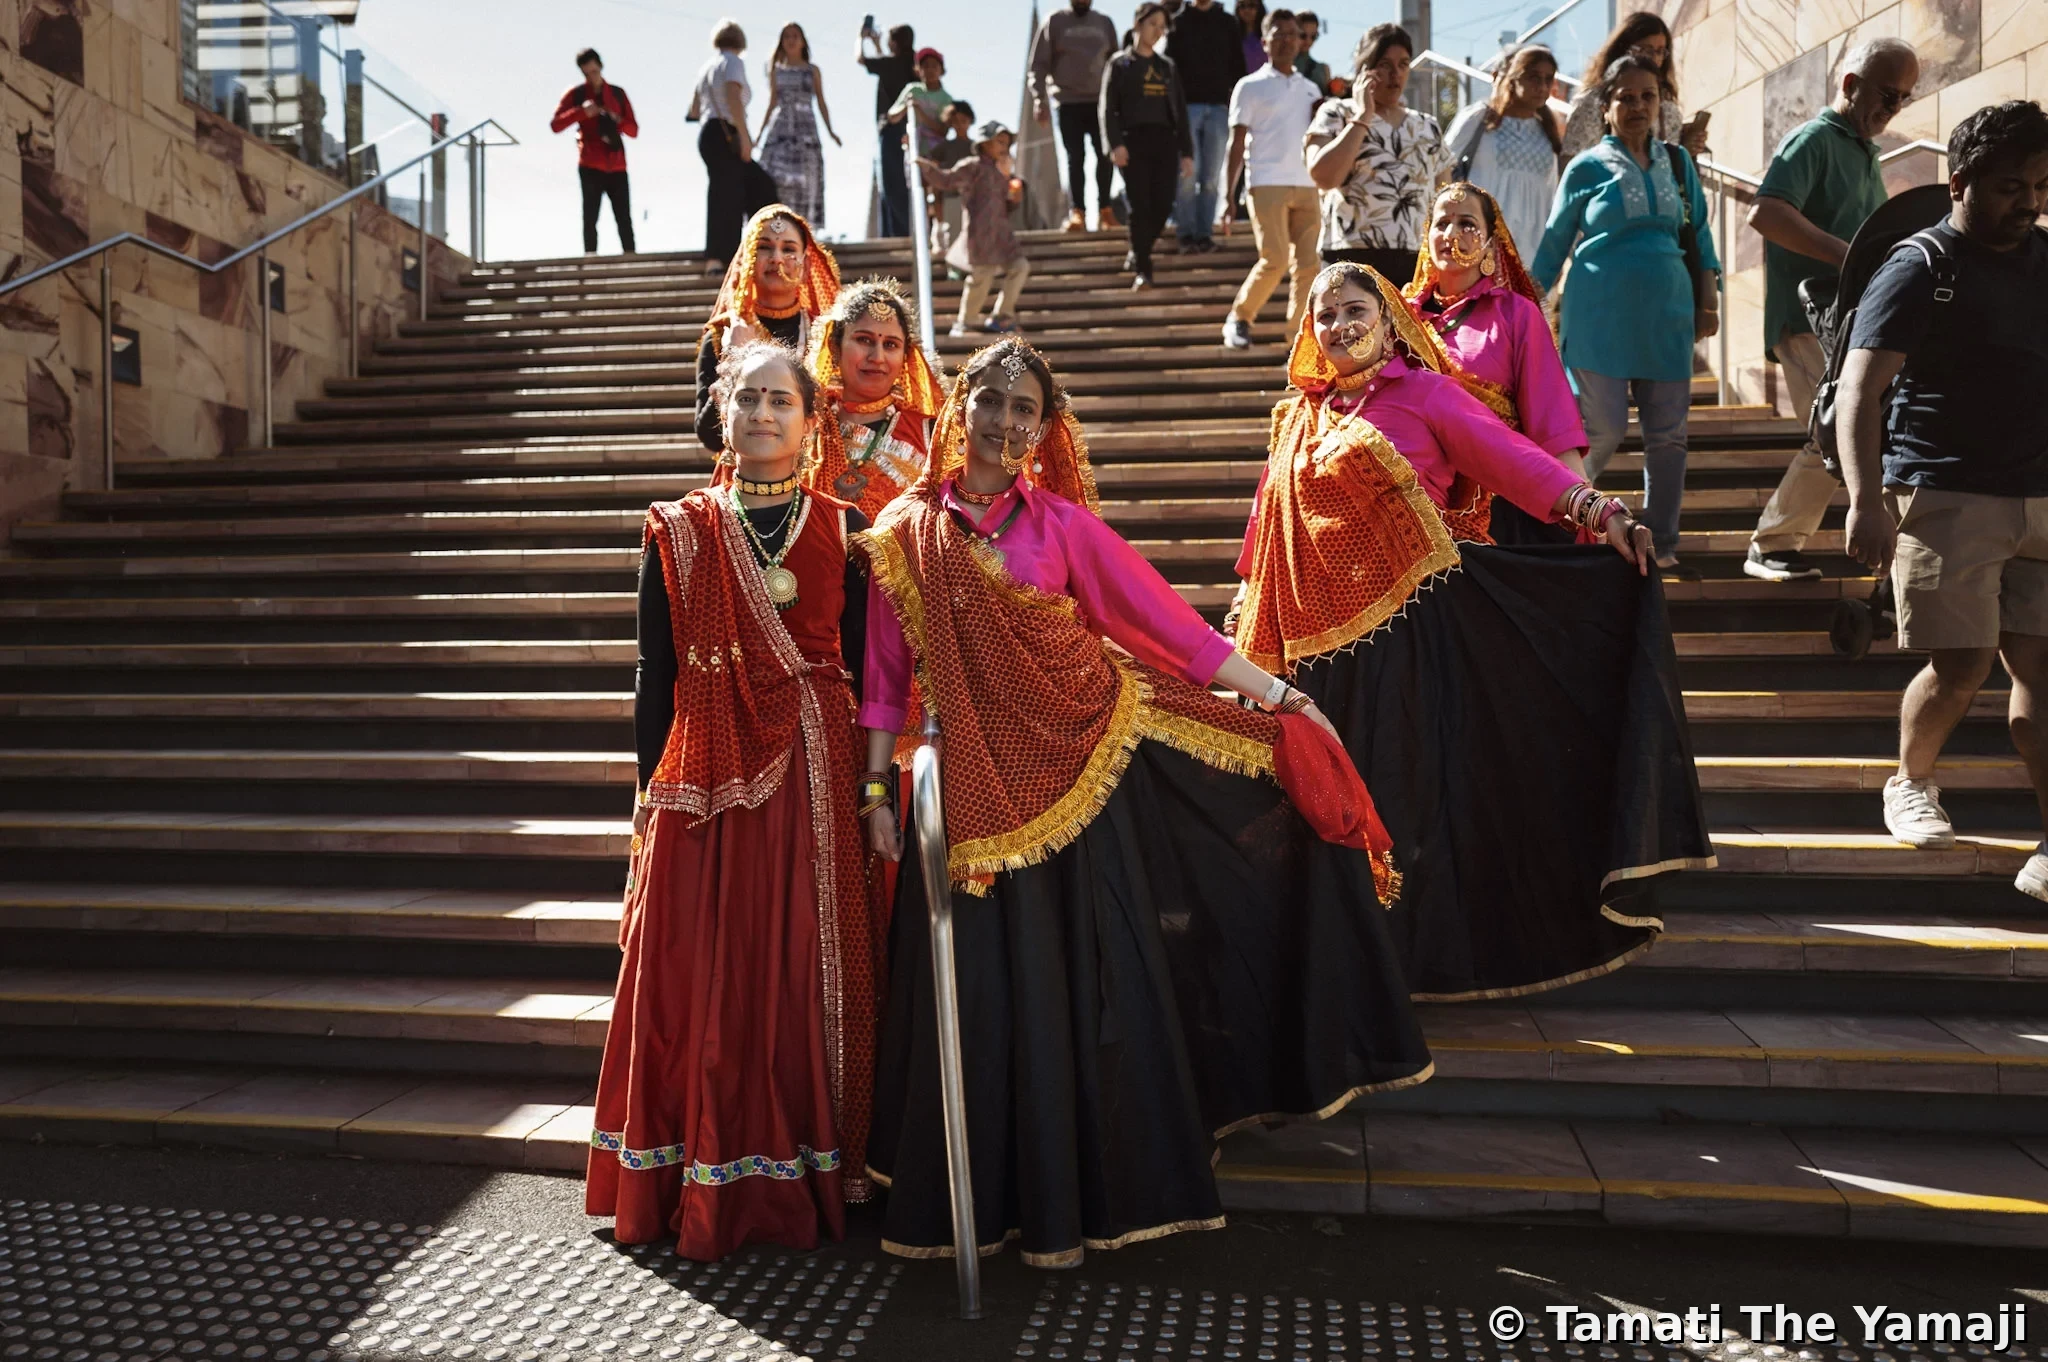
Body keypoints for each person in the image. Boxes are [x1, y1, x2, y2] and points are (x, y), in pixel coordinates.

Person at [856, 337, 1433, 1265]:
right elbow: (885, 684)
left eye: (1024, 412)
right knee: (985, 999)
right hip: (971, 796)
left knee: (1087, 990)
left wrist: (1276, 695)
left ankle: (1089, 1187)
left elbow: (1170, 630)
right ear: (960, 407)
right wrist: (876, 789)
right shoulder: (899, 538)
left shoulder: (1064, 530)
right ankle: (991, 1196)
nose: (1004, 423)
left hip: (1085, 776)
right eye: (991, 401)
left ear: (1044, 431)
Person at [1232, 261, 1713, 1000]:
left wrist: (1598, 511)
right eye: (1323, 315)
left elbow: (1512, 458)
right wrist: (1240, 629)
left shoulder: (1425, 395)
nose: (1338, 325)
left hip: (1404, 647)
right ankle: (1340, 974)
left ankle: (1402, 972)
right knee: (1314, 814)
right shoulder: (1297, 417)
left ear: (1392, 320)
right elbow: (1264, 531)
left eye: (1354, 308)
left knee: (1398, 803)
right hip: (1306, 658)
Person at [587, 340, 880, 1262]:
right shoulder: (677, 529)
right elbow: (655, 673)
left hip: (813, 778)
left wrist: (876, 784)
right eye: (746, 397)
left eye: (779, 401)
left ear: (810, 420)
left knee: (795, 966)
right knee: (701, 965)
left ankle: (803, 1165)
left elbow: (873, 677)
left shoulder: (846, 530)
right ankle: (687, 1174)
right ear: (721, 410)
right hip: (702, 783)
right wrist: (647, 801)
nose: (761, 413)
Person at [1835, 101, 2048, 898]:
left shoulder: (2044, 259)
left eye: (2040, 185)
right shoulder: (1921, 266)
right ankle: (1911, 780)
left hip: (2040, 495)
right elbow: (1861, 390)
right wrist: (1865, 501)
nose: (2028, 202)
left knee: (2043, 672)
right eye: (2009, 187)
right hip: (1945, 491)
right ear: (1959, 182)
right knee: (1960, 667)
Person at [1530, 54, 1720, 571]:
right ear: (1606, 107)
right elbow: (1553, 245)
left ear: (1660, 104)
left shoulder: (1677, 164)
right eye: (1626, 97)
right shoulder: (1586, 166)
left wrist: (1709, 299)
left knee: (1669, 435)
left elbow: (1698, 233)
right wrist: (1522, 305)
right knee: (1598, 429)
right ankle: (1562, 524)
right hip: (1599, 318)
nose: (1638, 106)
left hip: (1667, 315)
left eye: (1648, 97)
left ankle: (1662, 540)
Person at [1742, 38, 1921, 584]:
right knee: (1839, 428)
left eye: (1904, 100)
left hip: (1844, 322)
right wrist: (1847, 258)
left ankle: (1778, 542)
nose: (1892, 110)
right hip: (1808, 315)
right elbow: (1766, 213)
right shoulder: (1816, 139)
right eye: (1887, 95)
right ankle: (1771, 542)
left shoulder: (1864, 151)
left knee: (1843, 429)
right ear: (1850, 86)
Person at [1404, 182, 1588, 545]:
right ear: (1427, 237)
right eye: (1442, 223)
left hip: (1498, 502)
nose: (1452, 233)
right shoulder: (1399, 318)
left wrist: (1586, 507)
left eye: (1467, 224)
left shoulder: (1516, 314)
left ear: (1490, 241)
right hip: (1416, 506)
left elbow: (1552, 420)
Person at [1305, 24, 1449, 282]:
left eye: (1403, 64)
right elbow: (1324, 177)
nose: (1396, 74)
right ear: (1365, 68)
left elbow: (1445, 198)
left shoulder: (1427, 125)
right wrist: (1362, 116)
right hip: (1350, 256)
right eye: (1385, 64)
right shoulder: (1336, 113)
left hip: (1415, 258)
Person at [695, 206, 842, 455]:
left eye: (788, 249)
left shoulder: (828, 335)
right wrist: (734, 360)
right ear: (747, 260)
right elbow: (710, 437)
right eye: (764, 247)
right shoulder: (723, 336)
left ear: (806, 266)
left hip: (820, 473)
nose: (776, 258)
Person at [1219, 10, 1320, 350]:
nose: (1288, 40)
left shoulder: (1311, 88)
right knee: (1275, 258)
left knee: (1309, 265)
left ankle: (1298, 342)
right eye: (1279, 34)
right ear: (1264, 42)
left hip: (1309, 185)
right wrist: (1227, 196)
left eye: (1293, 34)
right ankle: (1240, 317)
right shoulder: (1249, 87)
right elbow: (1235, 143)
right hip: (1266, 182)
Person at [806, 279, 943, 519]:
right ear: (836, 346)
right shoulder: (806, 424)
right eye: (864, 340)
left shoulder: (929, 433)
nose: (877, 356)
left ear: (905, 356)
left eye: (890, 345)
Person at [1103, 3, 1195, 289]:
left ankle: (1138, 247)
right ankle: (1144, 268)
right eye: (1152, 24)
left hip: (1165, 142)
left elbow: (1179, 110)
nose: (1157, 31)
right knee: (1140, 204)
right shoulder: (1119, 63)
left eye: (1161, 27)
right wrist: (1115, 144)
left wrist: (1187, 151)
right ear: (1138, 23)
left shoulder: (1166, 67)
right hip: (1133, 142)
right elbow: (1107, 109)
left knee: (1164, 202)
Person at [1441, 44, 1564, 257]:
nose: (1542, 86)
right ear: (1514, 77)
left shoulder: (1548, 130)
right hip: (1480, 244)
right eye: (1533, 77)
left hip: (1533, 250)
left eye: (1548, 79)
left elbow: (1550, 194)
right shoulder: (1479, 119)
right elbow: (1441, 168)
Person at [919, 120, 1030, 338]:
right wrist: (924, 166)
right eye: (999, 141)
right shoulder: (972, 166)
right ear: (985, 143)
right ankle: (965, 321)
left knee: (1020, 266)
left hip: (1002, 232)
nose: (1003, 147)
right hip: (980, 232)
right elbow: (947, 179)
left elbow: (1008, 204)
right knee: (982, 275)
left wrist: (1014, 194)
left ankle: (1002, 315)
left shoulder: (1004, 170)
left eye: (1006, 143)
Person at [1559, 12, 1707, 161]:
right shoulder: (1592, 103)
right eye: (1646, 50)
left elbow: (1667, 169)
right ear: (1623, 50)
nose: (1654, 58)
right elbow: (1571, 164)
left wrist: (1685, 147)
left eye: (1660, 51)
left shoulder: (1668, 110)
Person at [1032, 0, 1123, 232]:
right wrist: (1039, 99)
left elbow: (1118, 63)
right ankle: (1078, 213)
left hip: (1100, 102)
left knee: (1105, 155)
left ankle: (1105, 210)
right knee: (1075, 157)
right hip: (1067, 102)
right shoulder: (1055, 22)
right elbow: (1039, 65)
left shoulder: (1104, 23)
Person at [1166, 0, 1245, 255]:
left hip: (1219, 109)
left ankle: (1204, 234)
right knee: (1188, 174)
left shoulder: (1227, 23)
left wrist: (1234, 103)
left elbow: (1237, 67)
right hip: (1187, 109)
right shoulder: (1177, 22)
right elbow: (1169, 70)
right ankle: (1185, 233)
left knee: (1211, 179)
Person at [550, 48, 639, 256]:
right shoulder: (577, 94)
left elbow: (634, 130)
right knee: (590, 218)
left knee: (624, 218)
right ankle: (590, 260)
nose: (592, 77)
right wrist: (581, 112)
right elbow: (555, 125)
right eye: (587, 73)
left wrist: (616, 118)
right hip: (590, 164)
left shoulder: (617, 94)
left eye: (594, 71)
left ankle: (631, 259)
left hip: (617, 165)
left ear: (600, 67)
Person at [756, 23, 842, 230]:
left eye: (795, 36)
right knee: (775, 177)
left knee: (806, 180)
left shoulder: (813, 71)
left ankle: (802, 231)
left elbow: (821, 101)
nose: (791, 40)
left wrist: (830, 130)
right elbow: (772, 102)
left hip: (806, 132)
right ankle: (776, 228)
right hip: (781, 130)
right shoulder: (775, 71)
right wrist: (759, 135)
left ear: (803, 41)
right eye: (786, 36)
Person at [690, 20, 760, 270]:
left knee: (721, 192)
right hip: (726, 131)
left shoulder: (706, 67)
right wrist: (744, 136)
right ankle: (725, 256)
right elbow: (733, 97)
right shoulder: (733, 62)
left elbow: (694, 109)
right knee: (731, 195)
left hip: (708, 132)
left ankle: (718, 256)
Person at [858, 21, 918, 237]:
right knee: (900, 182)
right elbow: (887, 65)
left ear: (894, 42)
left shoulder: (893, 63)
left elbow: (861, 60)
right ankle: (897, 231)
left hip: (891, 129)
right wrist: (877, 45)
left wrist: (861, 38)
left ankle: (897, 233)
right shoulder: (912, 64)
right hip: (909, 129)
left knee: (891, 184)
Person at [885, 47, 952, 164]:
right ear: (918, 70)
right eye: (925, 66)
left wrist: (919, 111)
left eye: (934, 66)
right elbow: (892, 117)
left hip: (936, 153)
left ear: (941, 70)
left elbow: (943, 131)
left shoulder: (946, 99)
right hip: (913, 148)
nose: (930, 70)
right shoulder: (912, 90)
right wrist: (907, 106)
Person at [930, 101, 978, 257]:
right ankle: (954, 270)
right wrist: (937, 200)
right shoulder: (943, 148)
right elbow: (935, 175)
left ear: (970, 121)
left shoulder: (977, 148)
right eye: (955, 121)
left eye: (963, 121)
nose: (959, 125)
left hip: (973, 199)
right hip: (951, 197)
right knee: (954, 233)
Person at [1295, 10, 1331, 96]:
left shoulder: (1323, 69)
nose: (1308, 41)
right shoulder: (1281, 65)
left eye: (1313, 36)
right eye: (1303, 35)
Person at [1235, 0, 1267, 75]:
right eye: (1242, 5)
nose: (1246, 10)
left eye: (1251, 5)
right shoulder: (1232, 37)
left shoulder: (1268, 37)